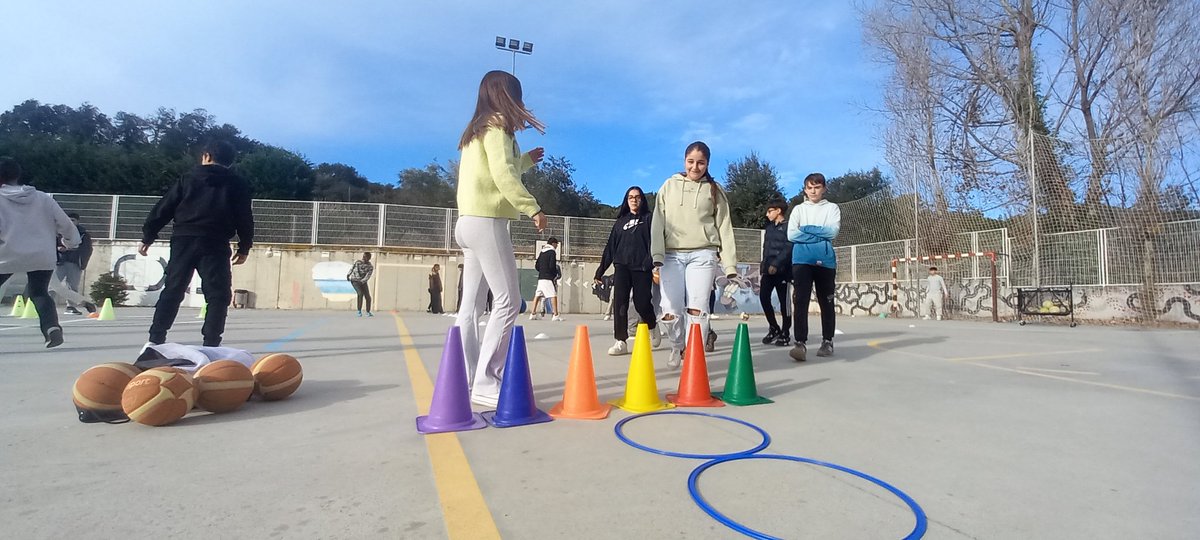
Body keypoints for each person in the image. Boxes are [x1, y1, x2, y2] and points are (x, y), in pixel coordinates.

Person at [453, 70, 548, 407]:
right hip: (488, 222)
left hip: (466, 223)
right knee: (507, 301)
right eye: (517, 96)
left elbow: (499, 168)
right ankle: (487, 381)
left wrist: (525, 160)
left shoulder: (475, 130)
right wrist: (532, 207)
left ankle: (467, 378)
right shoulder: (497, 126)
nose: (520, 103)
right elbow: (503, 176)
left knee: (471, 308)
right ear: (506, 96)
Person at [140, 139, 254, 348]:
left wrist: (149, 235)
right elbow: (244, 217)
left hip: (184, 239)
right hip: (216, 242)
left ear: (207, 156)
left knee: (173, 289)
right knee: (218, 295)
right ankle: (211, 344)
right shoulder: (237, 183)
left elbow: (164, 207)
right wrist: (244, 246)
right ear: (230, 162)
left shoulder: (188, 178)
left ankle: (155, 340)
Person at [650, 141, 739, 368]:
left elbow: (725, 227)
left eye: (701, 163)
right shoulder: (669, 185)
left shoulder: (715, 190)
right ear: (684, 161)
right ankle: (677, 346)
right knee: (669, 310)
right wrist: (657, 255)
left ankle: (693, 355)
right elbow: (657, 222)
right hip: (671, 256)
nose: (695, 167)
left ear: (707, 163)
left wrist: (730, 266)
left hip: (703, 254)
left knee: (698, 309)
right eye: (691, 162)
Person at [0, 156, 79, 348]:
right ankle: (52, 328)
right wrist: (71, 242)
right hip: (41, 255)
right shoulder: (43, 198)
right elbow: (66, 224)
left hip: (7, 253)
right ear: (17, 175)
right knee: (39, 293)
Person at [594, 186, 660, 355]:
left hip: (642, 268)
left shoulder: (650, 219)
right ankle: (620, 341)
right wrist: (600, 271)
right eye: (631, 197)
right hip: (622, 267)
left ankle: (652, 325)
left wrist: (650, 263)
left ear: (642, 200)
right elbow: (610, 248)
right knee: (620, 304)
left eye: (637, 197)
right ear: (626, 200)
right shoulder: (620, 222)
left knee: (641, 302)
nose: (634, 200)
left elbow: (656, 243)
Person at [787, 173, 841, 361]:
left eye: (817, 187)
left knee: (826, 302)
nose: (813, 191)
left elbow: (832, 232)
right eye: (809, 187)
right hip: (801, 260)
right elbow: (792, 235)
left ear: (824, 188)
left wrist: (806, 228)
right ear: (805, 189)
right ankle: (800, 343)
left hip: (825, 261)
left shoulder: (832, 208)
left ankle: (827, 341)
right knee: (800, 301)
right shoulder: (798, 210)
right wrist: (819, 233)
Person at [759, 200, 792, 346]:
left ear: (778, 211)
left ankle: (785, 332)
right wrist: (764, 267)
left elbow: (789, 248)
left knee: (784, 304)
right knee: (763, 298)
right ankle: (774, 328)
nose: (767, 214)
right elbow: (766, 250)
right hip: (768, 271)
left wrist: (776, 264)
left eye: (770, 211)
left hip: (783, 271)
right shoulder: (769, 228)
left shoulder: (789, 227)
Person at [56, 212, 96, 315]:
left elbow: (87, 249)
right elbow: (51, 244)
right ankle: (47, 305)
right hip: (59, 262)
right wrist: (58, 249)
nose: (70, 222)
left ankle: (71, 307)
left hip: (74, 263)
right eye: (68, 220)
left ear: (78, 221)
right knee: (53, 285)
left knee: (72, 286)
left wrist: (82, 262)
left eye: (73, 220)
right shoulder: (58, 231)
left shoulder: (83, 234)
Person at [529, 237, 564, 321]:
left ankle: (533, 313)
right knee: (553, 295)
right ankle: (555, 315)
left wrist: (542, 271)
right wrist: (553, 274)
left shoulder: (542, 252)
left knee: (538, 295)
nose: (557, 246)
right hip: (548, 278)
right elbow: (552, 265)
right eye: (556, 245)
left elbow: (537, 265)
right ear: (553, 244)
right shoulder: (552, 252)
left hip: (541, 277)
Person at [347, 252, 374, 317]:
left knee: (368, 297)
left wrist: (362, 281)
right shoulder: (357, 262)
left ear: (369, 258)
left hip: (363, 282)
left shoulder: (370, 266)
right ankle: (359, 311)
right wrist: (348, 274)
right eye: (363, 256)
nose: (363, 258)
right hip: (355, 281)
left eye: (365, 257)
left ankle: (368, 312)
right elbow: (353, 269)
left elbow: (368, 276)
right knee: (360, 293)